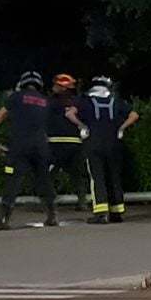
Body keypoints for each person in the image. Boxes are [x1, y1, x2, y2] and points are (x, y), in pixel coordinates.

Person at [0, 71, 58, 230]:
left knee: (13, 180)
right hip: (40, 146)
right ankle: (52, 216)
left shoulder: (16, 97)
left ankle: (4, 220)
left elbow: (0, 115)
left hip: (19, 145)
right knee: (44, 180)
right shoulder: (45, 101)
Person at [66, 76, 138, 224]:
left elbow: (69, 114)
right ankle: (117, 212)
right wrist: (122, 128)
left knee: (97, 177)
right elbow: (134, 115)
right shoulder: (115, 102)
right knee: (114, 177)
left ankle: (100, 212)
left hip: (93, 143)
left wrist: (82, 126)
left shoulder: (85, 101)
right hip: (114, 143)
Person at [46, 74, 90, 212]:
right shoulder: (78, 101)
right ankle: (82, 202)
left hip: (55, 142)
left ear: (61, 86)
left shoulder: (50, 101)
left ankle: (49, 203)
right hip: (75, 142)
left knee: (49, 174)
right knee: (76, 174)